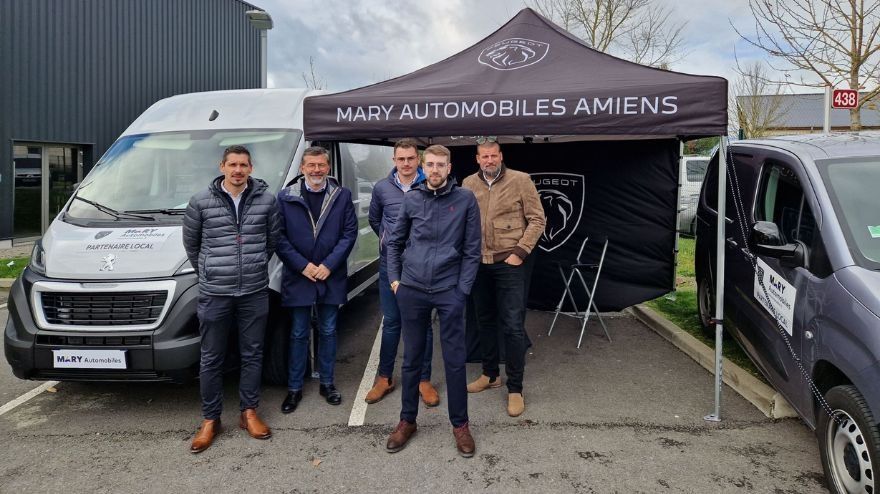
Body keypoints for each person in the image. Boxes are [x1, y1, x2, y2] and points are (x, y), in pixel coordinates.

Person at [384, 144, 481, 458]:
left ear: (449, 167)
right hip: (412, 288)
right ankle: (407, 421)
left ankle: (460, 425)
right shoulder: (412, 198)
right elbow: (395, 242)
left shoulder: (465, 199)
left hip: (449, 290)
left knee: (454, 361)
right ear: (423, 168)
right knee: (411, 359)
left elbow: (471, 249)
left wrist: (462, 291)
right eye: (430, 165)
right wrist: (397, 281)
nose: (435, 170)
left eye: (441, 164)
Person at [183, 144, 280, 454]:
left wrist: (250, 269)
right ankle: (211, 419)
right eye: (233, 164)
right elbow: (192, 246)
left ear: (251, 169)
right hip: (215, 294)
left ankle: (248, 412)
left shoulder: (266, 200)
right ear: (221, 166)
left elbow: (272, 241)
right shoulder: (200, 202)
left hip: (253, 291)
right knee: (211, 357)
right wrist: (211, 273)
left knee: (253, 353)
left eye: (244, 165)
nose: (238, 170)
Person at [462, 137, 546, 418]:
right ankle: (489, 374)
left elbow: (537, 219)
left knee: (512, 326)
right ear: (477, 159)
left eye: (493, 156)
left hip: (509, 264)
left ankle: (515, 388)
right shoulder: (468, 184)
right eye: (484, 157)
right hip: (479, 265)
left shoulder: (521, 180)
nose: (489, 161)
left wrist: (520, 252)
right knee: (483, 320)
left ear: (501, 156)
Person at [275, 146, 357, 413]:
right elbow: (279, 238)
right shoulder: (285, 197)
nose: (316, 170)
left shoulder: (341, 195)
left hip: (329, 276)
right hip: (299, 276)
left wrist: (328, 266)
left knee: (329, 330)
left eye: (321, 165)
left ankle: (328, 383)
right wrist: (303, 266)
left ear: (328, 167)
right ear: (302, 168)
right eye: (311, 165)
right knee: (298, 333)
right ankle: (295, 388)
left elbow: (349, 234)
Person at [365, 138, 439, 407]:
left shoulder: (430, 186)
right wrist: (387, 241)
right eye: (401, 159)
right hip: (390, 266)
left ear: (418, 160)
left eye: (411, 158)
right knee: (392, 323)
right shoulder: (382, 188)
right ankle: (385, 377)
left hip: (420, 268)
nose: (406, 163)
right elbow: (375, 219)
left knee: (422, 326)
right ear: (394, 161)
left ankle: (423, 379)